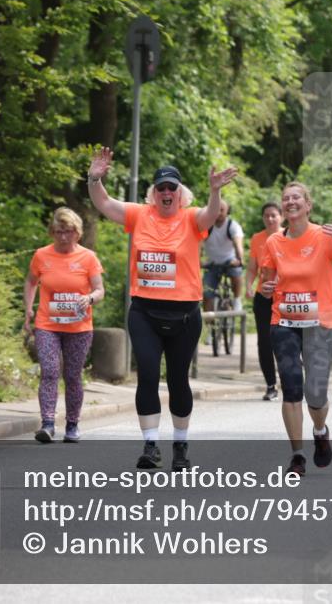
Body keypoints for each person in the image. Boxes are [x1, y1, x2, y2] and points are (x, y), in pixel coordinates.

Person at [87, 147, 237, 470]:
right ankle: (151, 445)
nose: (166, 193)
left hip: (184, 314)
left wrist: (215, 190)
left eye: (172, 188)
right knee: (149, 375)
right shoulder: (139, 214)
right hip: (145, 312)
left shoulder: (192, 217)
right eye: (161, 188)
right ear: (153, 194)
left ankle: (180, 447)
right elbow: (103, 203)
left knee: (179, 380)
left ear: (180, 194)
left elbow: (211, 215)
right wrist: (94, 178)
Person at [259, 181, 332, 476]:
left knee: (315, 393)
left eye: (297, 197)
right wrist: (266, 288)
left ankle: (320, 431)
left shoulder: (325, 236)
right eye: (286, 198)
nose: (290, 202)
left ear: (308, 205)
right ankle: (297, 455)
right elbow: (265, 287)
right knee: (291, 388)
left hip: (319, 324)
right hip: (283, 322)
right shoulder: (273, 242)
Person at [23, 207, 105, 443]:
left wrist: (89, 298)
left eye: (68, 232)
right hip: (47, 323)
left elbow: (100, 290)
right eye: (58, 232)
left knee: (72, 375)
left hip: (79, 327)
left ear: (77, 233)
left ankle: (72, 424)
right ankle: (47, 424)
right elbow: (30, 282)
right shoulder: (41, 255)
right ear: (52, 232)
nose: (63, 237)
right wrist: (28, 308)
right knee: (49, 371)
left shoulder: (88, 257)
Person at [244, 202, 284, 401]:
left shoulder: (288, 236)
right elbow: (252, 267)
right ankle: (270, 384)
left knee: (285, 339)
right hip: (264, 296)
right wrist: (249, 285)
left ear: (281, 217)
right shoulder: (257, 238)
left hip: (285, 297)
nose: (270, 219)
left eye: (274, 215)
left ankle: (290, 378)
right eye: (267, 215)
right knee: (265, 341)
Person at [202, 199, 245, 315]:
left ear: (227, 211)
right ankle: (210, 328)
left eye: (222, 210)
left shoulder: (232, 226)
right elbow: (197, 244)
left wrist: (239, 259)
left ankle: (237, 299)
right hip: (212, 263)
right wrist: (197, 261)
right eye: (216, 209)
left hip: (229, 261)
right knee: (206, 293)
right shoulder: (206, 226)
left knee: (236, 272)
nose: (218, 212)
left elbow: (237, 244)